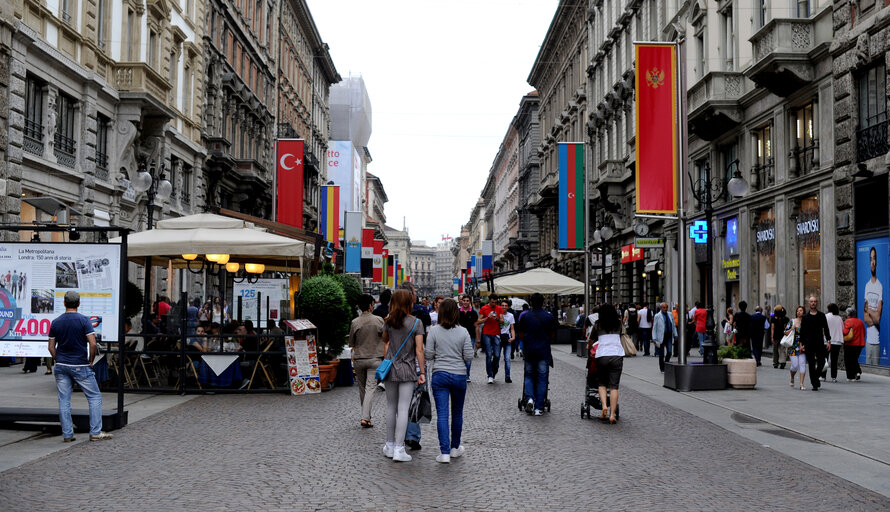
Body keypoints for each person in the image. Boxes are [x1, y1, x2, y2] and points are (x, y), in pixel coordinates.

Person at [47, 291, 113, 442]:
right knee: (94, 396)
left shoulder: (56, 322)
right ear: (78, 303)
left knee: (64, 400)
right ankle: (95, 432)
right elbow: (93, 343)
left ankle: (68, 434)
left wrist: (59, 359)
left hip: (61, 365)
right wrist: (90, 360)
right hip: (80, 364)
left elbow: (51, 347)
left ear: (64, 303)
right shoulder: (84, 320)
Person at [424, 298, 473, 463]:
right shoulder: (463, 332)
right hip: (459, 375)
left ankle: (444, 452)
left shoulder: (434, 331)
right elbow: (469, 356)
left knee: (442, 415)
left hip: (440, 375)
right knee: (457, 413)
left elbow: (428, 355)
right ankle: (454, 448)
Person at [381, 289, 425, 462]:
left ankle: (390, 445)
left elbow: (385, 341)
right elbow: (419, 350)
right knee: (403, 409)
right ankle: (400, 448)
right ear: (409, 302)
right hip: (407, 369)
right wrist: (421, 372)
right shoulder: (416, 323)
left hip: (391, 368)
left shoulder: (388, 321)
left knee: (391, 407)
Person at [516, 293, 556, 416]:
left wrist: (528, 341)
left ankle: (529, 399)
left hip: (530, 350)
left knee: (528, 376)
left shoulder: (525, 316)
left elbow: (521, 334)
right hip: (543, 351)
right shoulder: (549, 317)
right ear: (543, 302)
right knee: (542, 379)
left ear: (531, 303)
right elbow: (552, 336)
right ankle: (539, 407)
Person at [349, 294, 385, 428]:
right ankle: (365, 417)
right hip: (375, 358)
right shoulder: (379, 320)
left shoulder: (355, 322)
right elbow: (386, 337)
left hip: (359, 359)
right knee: (370, 388)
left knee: (362, 388)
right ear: (370, 305)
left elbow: (351, 342)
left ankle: (367, 416)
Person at [589, 303, 624, 424]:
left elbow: (591, 339)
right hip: (617, 355)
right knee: (614, 386)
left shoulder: (598, 324)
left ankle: (604, 406)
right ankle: (612, 414)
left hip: (602, 355)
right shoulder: (618, 323)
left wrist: (589, 347)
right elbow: (620, 335)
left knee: (602, 383)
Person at [799, 296, 831, 391]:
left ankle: (815, 377)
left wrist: (828, 341)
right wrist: (801, 344)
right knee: (812, 364)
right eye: (811, 301)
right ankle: (814, 384)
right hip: (809, 343)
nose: (813, 303)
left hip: (819, 342)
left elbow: (826, 328)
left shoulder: (821, 315)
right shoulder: (805, 317)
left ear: (817, 303)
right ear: (809, 303)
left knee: (821, 361)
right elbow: (802, 332)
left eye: (815, 301)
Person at [476, 294, 504, 384]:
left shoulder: (499, 308)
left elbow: (503, 321)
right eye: (492, 302)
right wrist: (487, 317)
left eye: (495, 302)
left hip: (496, 334)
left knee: (497, 355)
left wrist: (497, 319)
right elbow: (478, 321)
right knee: (488, 355)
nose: (494, 304)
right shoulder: (484, 308)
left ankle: (494, 371)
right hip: (486, 333)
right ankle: (490, 375)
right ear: (489, 300)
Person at [864, 246, 883, 365]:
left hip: (877, 342)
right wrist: (873, 314)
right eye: (871, 259)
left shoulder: (880, 286)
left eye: (874, 258)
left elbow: (878, 318)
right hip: (868, 342)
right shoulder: (867, 286)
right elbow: (866, 318)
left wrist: (868, 310)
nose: (872, 262)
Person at [652, 302, 678, 373]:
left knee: (669, 352)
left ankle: (666, 364)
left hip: (669, 336)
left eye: (666, 307)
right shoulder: (657, 316)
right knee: (661, 354)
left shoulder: (670, 314)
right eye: (664, 307)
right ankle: (662, 368)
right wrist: (654, 338)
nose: (665, 309)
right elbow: (654, 328)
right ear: (660, 308)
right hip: (661, 336)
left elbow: (673, 326)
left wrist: (675, 334)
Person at [458, 295, 478, 381]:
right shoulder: (458, 312)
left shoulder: (473, 313)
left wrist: (478, 340)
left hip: (471, 336)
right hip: (459, 336)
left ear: (470, 302)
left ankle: (467, 375)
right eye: (464, 300)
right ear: (461, 301)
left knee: (468, 356)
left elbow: (476, 326)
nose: (465, 302)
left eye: (467, 301)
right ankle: (461, 373)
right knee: (460, 356)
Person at [786, 306, 807, 390]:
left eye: (801, 310)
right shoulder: (792, 321)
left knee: (802, 365)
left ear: (804, 312)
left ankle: (801, 384)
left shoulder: (806, 322)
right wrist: (792, 329)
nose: (799, 312)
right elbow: (785, 333)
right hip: (793, 347)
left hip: (803, 347)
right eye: (798, 311)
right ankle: (792, 377)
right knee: (795, 366)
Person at [842, 307, 866, 381]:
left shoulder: (848, 321)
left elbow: (845, 332)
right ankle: (857, 372)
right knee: (854, 359)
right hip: (860, 344)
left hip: (850, 344)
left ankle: (850, 376)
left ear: (848, 314)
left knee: (848, 360)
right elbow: (864, 332)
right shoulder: (860, 321)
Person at [824, 303, 844, 383]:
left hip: (827, 341)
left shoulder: (826, 316)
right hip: (837, 341)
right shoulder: (839, 318)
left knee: (824, 359)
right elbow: (842, 329)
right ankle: (834, 377)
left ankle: (823, 376)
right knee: (834, 360)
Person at [498, 300, 516, 383]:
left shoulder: (510, 316)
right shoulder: (497, 314)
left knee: (507, 358)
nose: (504, 307)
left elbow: (512, 328)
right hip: (498, 338)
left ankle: (507, 376)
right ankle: (493, 372)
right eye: (502, 305)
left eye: (505, 305)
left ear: (508, 307)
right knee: (496, 357)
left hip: (507, 338)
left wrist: (513, 337)